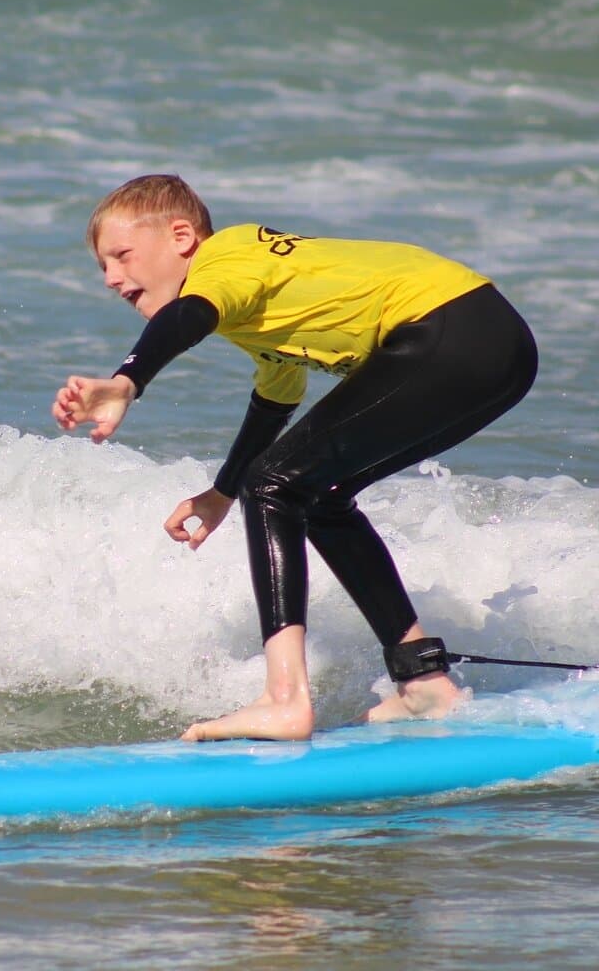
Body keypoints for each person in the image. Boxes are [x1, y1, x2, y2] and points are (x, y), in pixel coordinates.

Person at [52, 173, 538, 742]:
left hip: (450, 327)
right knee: (317, 496)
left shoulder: (225, 260)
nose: (111, 278)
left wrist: (126, 381)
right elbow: (276, 397)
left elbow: (185, 320)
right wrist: (222, 492)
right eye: (102, 267)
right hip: (492, 345)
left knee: (276, 485)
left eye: (121, 255)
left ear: (181, 235)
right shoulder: (256, 296)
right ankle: (425, 683)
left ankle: (285, 699)